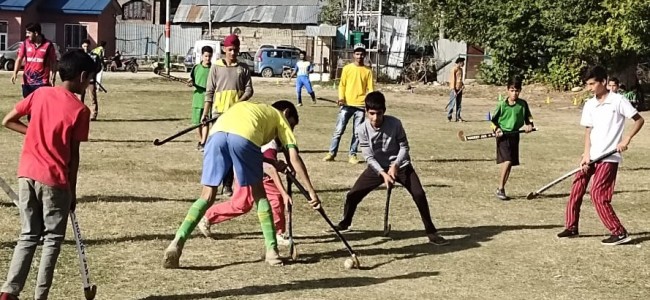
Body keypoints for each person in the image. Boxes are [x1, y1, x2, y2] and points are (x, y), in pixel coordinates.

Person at [163, 100, 321, 268]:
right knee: (260, 195)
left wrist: (273, 162)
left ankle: (177, 242)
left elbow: (239, 145)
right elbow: (293, 158)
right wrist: (311, 191)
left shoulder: (254, 110)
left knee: (207, 196)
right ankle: (272, 252)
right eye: (292, 125)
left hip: (216, 135)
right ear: (287, 113)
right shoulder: (279, 118)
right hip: (244, 137)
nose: (291, 129)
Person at [0, 50, 94, 300]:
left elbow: (8, 120)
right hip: (54, 179)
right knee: (52, 239)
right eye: (89, 79)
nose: (89, 84)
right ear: (82, 76)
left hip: (26, 174)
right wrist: (72, 191)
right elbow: (73, 157)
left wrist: (33, 133)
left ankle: (9, 291)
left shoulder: (39, 93)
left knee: (28, 235)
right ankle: (40, 296)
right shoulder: (80, 110)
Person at [330, 91, 449, 245]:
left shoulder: (395, 123)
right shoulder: (361, 129)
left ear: (384, 111)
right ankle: (345, 223)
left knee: (419, 194)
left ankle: (431, 232)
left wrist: (395, 166)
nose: (375, 118)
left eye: (379, 113)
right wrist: (383, 174)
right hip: (377, 168)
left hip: (401, 166)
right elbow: (368, 157)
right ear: (366, 111)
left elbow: (404, 147)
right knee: (353, 195)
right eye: (371, 113)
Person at [557, 66, 644, 245]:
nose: (589, 88)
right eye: (587, 84)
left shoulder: (618, 101)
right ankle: (571, 227)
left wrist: (626, 139)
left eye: (592, 84)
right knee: (577, 188)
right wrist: (586, 154)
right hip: (591, 155)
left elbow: (639, 120)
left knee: (598, 194)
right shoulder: (590, 104)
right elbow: (589, 130)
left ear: (603, 82)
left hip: (609, 157)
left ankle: (619, 232)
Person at [197, 138, 295, 250]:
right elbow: (269, 168)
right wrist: (283, 192)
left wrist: (284, 166)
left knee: (245, 204)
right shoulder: (270, 144)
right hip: (252, 172)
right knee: (272, 200)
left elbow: (276, 160)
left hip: (248, 170)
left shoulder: (275, 139)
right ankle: (278, 233)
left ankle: (207, 217)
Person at [201, 34, 253, 196]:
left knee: (232, 150)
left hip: (236, 116)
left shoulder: (243, 68)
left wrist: (238, 103)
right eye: (230, 50)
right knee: (217, 150)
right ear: (224, 49)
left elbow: (249, 90)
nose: (233, 53)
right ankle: (212, 184)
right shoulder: (215, 67)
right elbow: (209, 92)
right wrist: (205, 114)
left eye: (236, 50)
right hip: (218, 115)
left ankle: (228, 184)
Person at [323, 43, 374, 164]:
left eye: (361, 54)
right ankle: (331, 153)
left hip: (360, 106)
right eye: (357, 53)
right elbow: (342, 85)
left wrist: (370, 104)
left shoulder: (368, 71)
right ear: (353, 55)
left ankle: (352, 154)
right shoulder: (347, 69)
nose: (359, 56)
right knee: (338, 130)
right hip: (346, 105)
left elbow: (371, 89)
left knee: (357, 133)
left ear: (364, 55)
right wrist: (341, 98)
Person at [489, 77, 534, 200]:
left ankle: (502, 188)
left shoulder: (523, 104)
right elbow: (492, 121)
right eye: (512, 90)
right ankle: (500, 188)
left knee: (510, 164)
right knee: (507, 161)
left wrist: (530, 125)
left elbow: (529, 119)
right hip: (503, 136)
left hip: (515, 135)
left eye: (517, 90)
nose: (515, 93)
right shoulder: (502, 105)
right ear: (507, 90)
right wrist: (496, 129)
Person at [11, 23, 58, 98]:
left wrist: (53, 76)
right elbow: (19, 59)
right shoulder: (25, 43)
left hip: (42, 82)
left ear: (36, 33)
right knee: (28, 105)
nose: (27, 35)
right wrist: (14, 73)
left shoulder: (48, 45)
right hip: (27, 82)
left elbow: (54, 62)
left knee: (40, 105)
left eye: (29, 33)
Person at [187, 45, 214, 151]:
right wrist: (190, 83)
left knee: (205, 121)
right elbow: (191, 80)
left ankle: (204, 142)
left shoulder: (213, 69)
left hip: (208, 99)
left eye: (210, 56)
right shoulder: (196, 68)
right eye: (206, 56)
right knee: (196, 123)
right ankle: (201, 140)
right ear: (202, 56)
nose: (207, 58)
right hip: (197, 98)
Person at [80, 39, 101, 120]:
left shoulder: (94, 56)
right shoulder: (79, 56)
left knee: (92, 97)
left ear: (90, 46)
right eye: (84, 46)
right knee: (80, 98)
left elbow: (98, 67)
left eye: (87, 46)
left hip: (91, 80)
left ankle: (93, 114)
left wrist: (93, 73)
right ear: (82, 46)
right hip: (81, 80)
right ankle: (80, 114)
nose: (86, 48)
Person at [446, 57, 465, 122]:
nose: (463, 64)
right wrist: (453, 90)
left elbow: (459, 79)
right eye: (463, 62)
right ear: (459, 63)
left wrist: (462, 85)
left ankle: (458, 117)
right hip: (454, 89)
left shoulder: (461, 70)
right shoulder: (454, 69)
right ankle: (449, 117)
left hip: (459, 88)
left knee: (459, 104)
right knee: (452, 103)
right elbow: (452, 80)